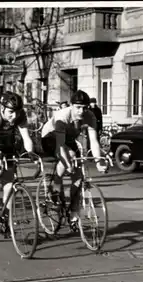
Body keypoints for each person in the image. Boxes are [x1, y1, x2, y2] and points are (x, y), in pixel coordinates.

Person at [40, 90, 107, 221]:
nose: (81, 111)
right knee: (68, 157)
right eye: (78, 107)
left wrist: (99, 162)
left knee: (78, 175)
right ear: (71, 105)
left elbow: (93, 141)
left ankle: (73, 211)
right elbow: (60, 146)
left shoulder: (90, 116)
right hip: (50, 137)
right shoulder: (62, 116)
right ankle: (55, 187)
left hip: (69, 139)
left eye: (84, 108)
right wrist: (66, 164)